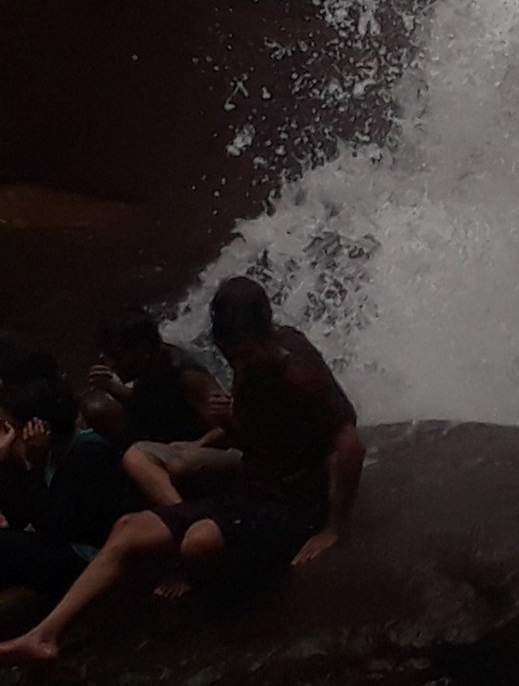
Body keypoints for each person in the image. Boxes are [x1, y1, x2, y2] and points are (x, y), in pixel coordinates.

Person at [0, 276, 364, 665]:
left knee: (199, 540)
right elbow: (253, 438)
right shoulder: (250, 360)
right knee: (130, 527)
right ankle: (43, 636)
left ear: (265, 333)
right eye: (229, 355)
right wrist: (231, 424)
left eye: (241, 354)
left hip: (292, 503)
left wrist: (332, 528)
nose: (235, 364)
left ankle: (219, 595)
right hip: (251, 487)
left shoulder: (301, 375)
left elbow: (350, 445)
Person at [90, 306, 239, 506]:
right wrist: (109, 386)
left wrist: (198, 444)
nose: (111, 364)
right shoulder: (149, 368)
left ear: (143, 351)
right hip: (164, 437)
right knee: (97, 410)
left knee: (166, 462)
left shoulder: (187, 376)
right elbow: (145, 401)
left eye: (116, 355)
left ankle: (179, 509)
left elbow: (229, 426)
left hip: (188, 451)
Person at [0, 378, 130, 603]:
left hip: (97, 556)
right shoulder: (49, 457)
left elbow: (59, 524)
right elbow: (19, 519)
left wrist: (31, 469)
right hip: (68, 545)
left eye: (9, 426)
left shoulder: (86, 453)